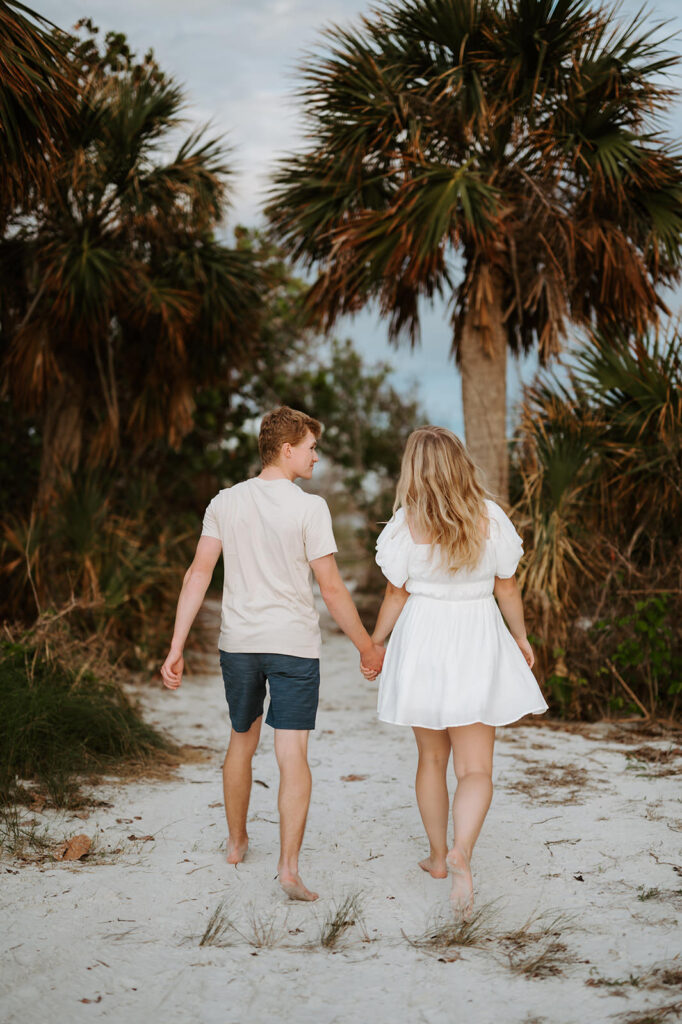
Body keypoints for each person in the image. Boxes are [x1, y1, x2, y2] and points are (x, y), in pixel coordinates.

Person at [160, 406, 385, 902]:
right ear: (287, 450)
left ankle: (237, 843)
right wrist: (367, 646)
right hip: (293, 647)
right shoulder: (310, 507)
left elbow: (197, 575)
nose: (315, 457)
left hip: (238, 644)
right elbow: (330, 589)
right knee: (292, 753)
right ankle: (287, 868)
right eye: (310, 448)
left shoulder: (225, 501)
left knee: (241, 739)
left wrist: (176, 645)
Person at [362, 426, 547, 919]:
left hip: (423, 636)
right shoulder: (490, 518)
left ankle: (439, 858)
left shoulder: (406, 524)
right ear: (460, 463)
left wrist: (375, 643)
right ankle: (462, 849)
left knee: (430, 759)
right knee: (476, 768)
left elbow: (395, 594)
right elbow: (507, 588)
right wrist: (522, 638)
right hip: (477, 634)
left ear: (414, 470)